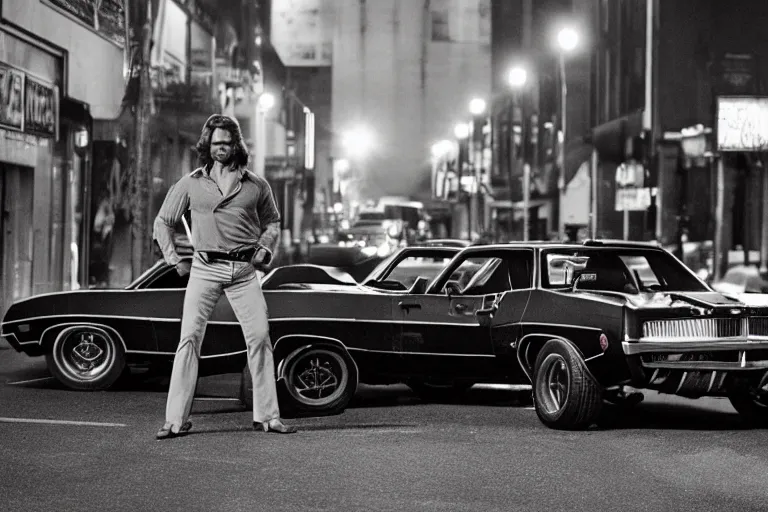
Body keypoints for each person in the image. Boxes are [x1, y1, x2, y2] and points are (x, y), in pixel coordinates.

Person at [153, 114, 297, 439]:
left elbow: (273, 221)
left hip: (244, 271)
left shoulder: (256, 185)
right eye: (215, 143)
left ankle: (268, 417)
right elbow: (163, 221)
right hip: (204, 268)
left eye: (226, 143)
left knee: (260, 337)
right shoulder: (190, 183)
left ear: (236, 144)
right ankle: (174, 421)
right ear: (208, 145)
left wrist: (265, 247)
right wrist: (174, 259)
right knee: (188, 339)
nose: (220, 148)